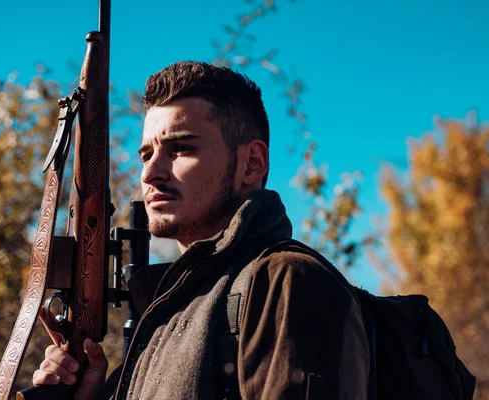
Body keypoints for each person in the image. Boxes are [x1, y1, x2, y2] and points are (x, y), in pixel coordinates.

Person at [32, 61, 370, 399]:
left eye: (181, 148)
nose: (151, 174)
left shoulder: (285, 281)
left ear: (251, 164)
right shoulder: (165, 312)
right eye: (146, 155)